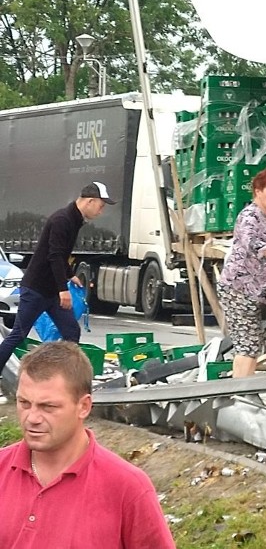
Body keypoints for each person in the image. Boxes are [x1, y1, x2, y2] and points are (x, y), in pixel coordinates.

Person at [0, 341, 176, 548]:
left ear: (84, 406)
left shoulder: (127, 488)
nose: (32, 418)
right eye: (24, 403)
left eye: (48, 406)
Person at [0, 182, 115, 375]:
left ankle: (65, 377)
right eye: (101, 206)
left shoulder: (74, 219)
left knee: (71, 332)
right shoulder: (62, 220)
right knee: (18, 334)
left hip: (51, 290)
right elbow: (54, 255)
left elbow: (61, 255)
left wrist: (71, 275)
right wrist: (64, 290)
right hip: (36, 288)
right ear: (89, 201)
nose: (101, 212)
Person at [217, 167, 266, 377]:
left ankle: (245, 392)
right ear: (258, 191)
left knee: (253, 343)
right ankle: (239, 393)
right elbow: (251, 243)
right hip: (238, 289)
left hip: (256, 293)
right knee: (247, 344)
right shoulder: (250, 216)